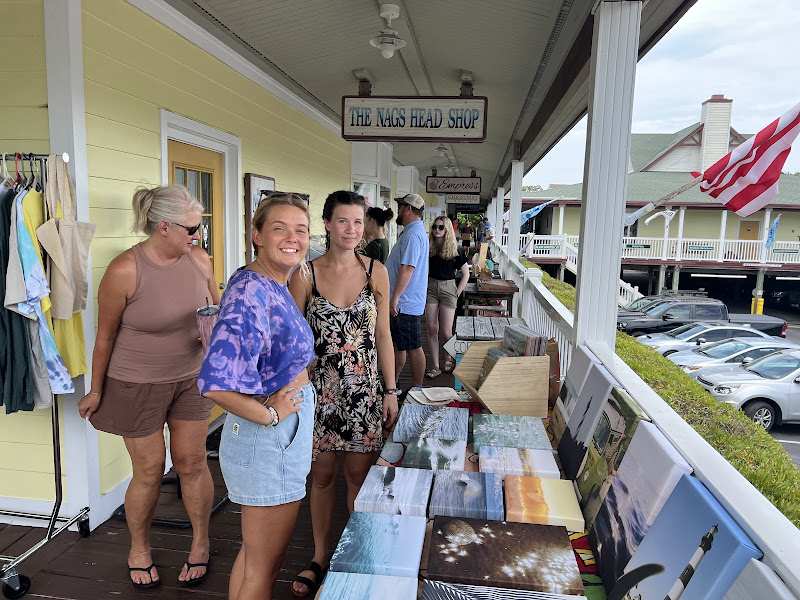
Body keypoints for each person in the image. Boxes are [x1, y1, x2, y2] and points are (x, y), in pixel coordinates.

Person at [77, 185, 219, 589]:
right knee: (151, 470)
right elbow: (104, 337)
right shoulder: (125, 269)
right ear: (164, 226)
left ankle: (202, 542)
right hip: (136, 381)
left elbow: (214, 309)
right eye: (192, 227)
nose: (197, 234)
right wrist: (95, 390)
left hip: (190, 378)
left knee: (191, 462)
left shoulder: (198, 259)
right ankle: (139, 548)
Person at [198, 193, 316, 600]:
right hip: (269, 438)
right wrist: (271, 415)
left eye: (300, 230)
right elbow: (215, 383)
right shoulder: (252, 291)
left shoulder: (271, 282)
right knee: (264, 570)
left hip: (278, 434)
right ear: (257, 235)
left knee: (255, 559)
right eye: (279, 228)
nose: (292, 238)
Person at [289, 190, 398, 598]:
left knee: (357, 475)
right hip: (320, 393)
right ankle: (319, 556)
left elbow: (384, 335)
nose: (351, 230)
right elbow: (294, 339)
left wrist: (391, 390)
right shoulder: (305, 274)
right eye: (342, 222)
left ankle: (353, 556)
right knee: (322, 476)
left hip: (366, 390)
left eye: (358, 221)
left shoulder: (376, 271)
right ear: (327, 224)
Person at [385, 193, 429, 389]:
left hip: (405, 303)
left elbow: (408, 268)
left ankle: (417, 389)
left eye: (401, 207)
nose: (399, 211)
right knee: (399, 345)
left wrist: (394, 298)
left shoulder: (412, 234)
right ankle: (392, 385)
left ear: (408, 209)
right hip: (405, 301)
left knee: (413, 347)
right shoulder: (413, 231)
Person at [425, 216, 470, 378]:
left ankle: (449, 357)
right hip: (430, 287)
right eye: (435, 227)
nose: (437, 230)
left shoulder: (455, 249)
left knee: (445, 331)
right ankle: (435, 366)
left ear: (447, 230)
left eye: (441, 227)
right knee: (432, 328)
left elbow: (466, 274)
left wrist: (457, 293)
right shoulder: (428, 247)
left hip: (448, 288)